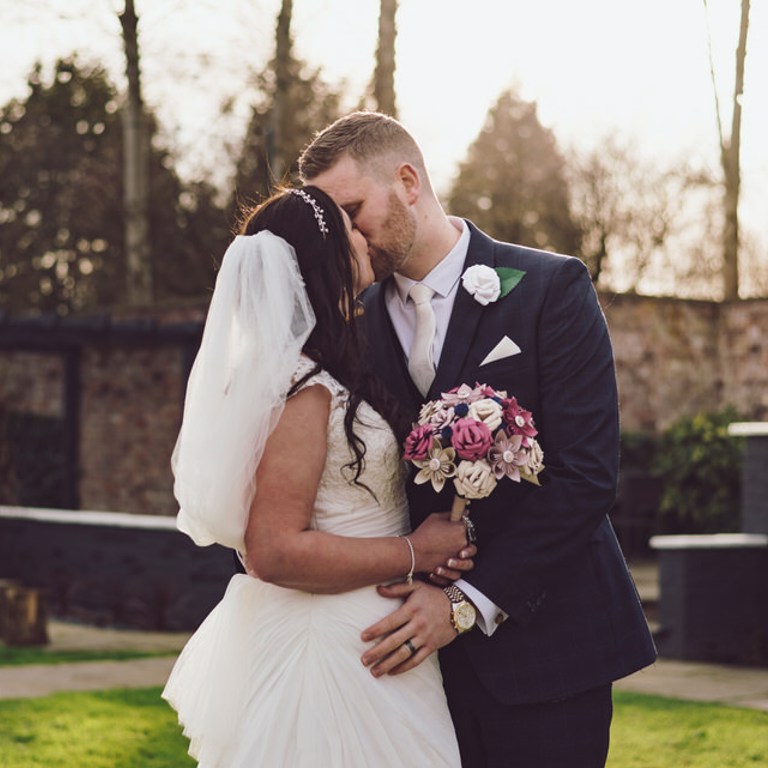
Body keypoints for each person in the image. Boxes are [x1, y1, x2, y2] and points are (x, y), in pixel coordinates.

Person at [299, 112, 658, 767]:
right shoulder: (352, 330)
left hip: (551, 651)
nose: (346, 238)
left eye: (353, 212)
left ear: (408, 181)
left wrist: (465, 602)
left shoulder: (551, 288)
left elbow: (585, 475)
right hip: (411, 670)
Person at [162, 185, 475, 766]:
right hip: (332, 650)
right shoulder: (304, 390)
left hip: (365, 634)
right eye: (350, 228)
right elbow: (273, 551)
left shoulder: (318, 372)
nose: (364, 237)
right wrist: (417, 550)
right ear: (322, 256)